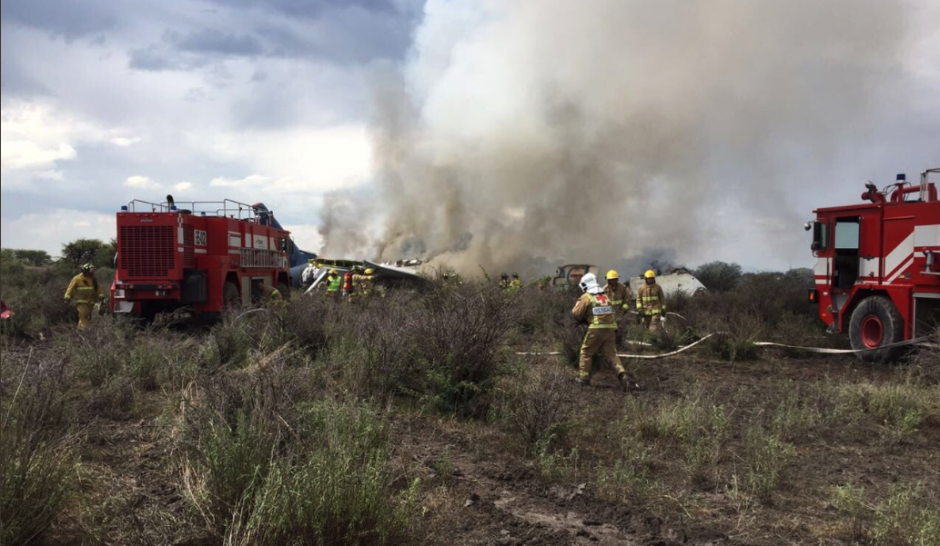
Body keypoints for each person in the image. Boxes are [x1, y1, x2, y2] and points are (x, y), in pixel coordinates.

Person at [571, 272, 639, 391]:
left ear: (585, 285)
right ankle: (623, 375)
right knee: (611, 354)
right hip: (611, 328)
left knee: (586, 352)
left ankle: (584, 379)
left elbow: (576, 314)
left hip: (596, 329)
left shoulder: (586, 297)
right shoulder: (605, 296)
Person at [64, 263, 104, 329]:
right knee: (83, 314)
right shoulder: (77, 278)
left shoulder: (93, 279)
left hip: (91, 301)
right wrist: (67, 298)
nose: (92, 272)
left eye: (93, 271)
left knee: (87, 316)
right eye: (91, 271)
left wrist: (101, 297)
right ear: (86, 270)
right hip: (81, 301)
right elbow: (70, 288)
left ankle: (80, 329)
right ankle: (84, 330)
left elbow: (97, 289)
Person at [603, 270, 633, 346]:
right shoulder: (604, 289)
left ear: (617, 279)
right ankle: (610, 345)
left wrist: (625, 307)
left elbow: (627, 298)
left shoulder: (622, 288)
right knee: (610, 331)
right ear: (608, 280)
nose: (612, 281)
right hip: (609, 314)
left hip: (620, 312)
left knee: (620, 329)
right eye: (611, 280)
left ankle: (619, 345)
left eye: (614, 279)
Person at [636, 269, 667, 334]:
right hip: (645, 312)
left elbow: (662, 298)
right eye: (649, 278)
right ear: (646, 279)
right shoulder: (641, 288)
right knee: (645, 328)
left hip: (656, 311)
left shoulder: (658, 287)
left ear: (653, 278)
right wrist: (639, 309)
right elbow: (638, 299)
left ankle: (653, 340)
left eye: (651, 278)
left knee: (653, 328)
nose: (650, 280)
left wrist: (663, 309)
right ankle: (648, 341)